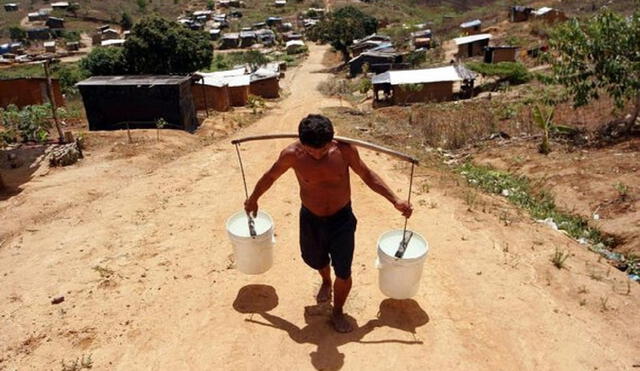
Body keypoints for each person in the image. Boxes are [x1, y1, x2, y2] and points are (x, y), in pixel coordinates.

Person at [244, 114, 412, 333]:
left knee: (343, 271)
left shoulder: (344, 151)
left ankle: (338, 311)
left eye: (321, 150)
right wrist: (254, 198)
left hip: (341, 218)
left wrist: (395, 199)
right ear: (301, 142)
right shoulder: (291, 155)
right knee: (317, 258)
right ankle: (325, 281)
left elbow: (367, 174)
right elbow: (270, 177)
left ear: (331, 141)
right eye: (310, 149)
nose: (315, 154)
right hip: (310, 218)